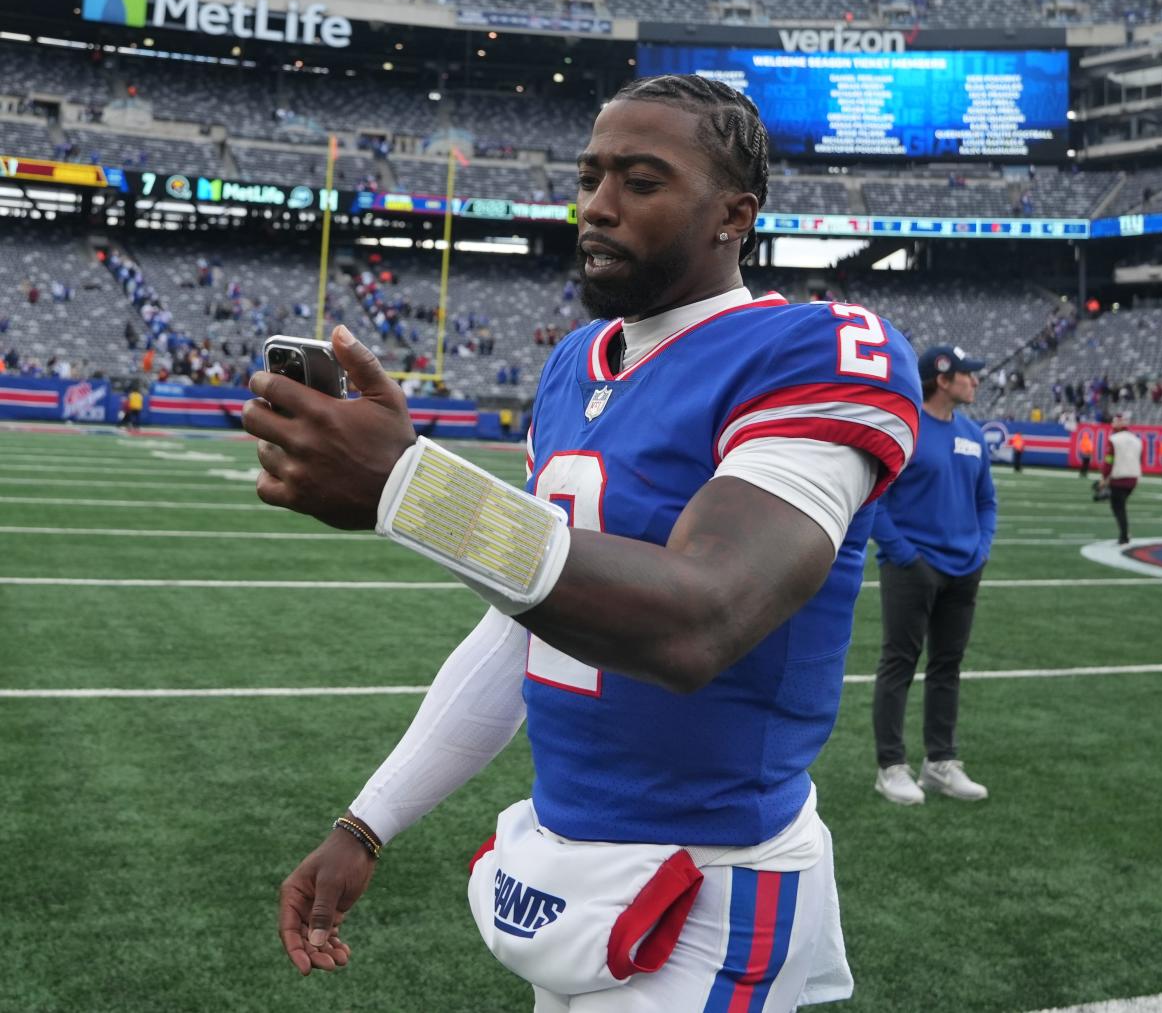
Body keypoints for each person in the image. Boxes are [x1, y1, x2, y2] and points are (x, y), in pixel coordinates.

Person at [241, 75, 922, 1010]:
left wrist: (411, 487)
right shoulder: (574, 364)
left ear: (734, 213)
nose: (597, 206)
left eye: (641, 182)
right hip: (564, 868)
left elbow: (703, 617)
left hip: (711, 881)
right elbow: (523, 629)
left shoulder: (816, 350)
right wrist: (369, 820)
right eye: (592, 175)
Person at [870, 344, 997, 806]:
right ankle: (891, 766)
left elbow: (987, 500)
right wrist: (904, 554)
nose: (976, 381)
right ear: (943, 379)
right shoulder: (905, 428)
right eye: (969, 374)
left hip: (965, 568)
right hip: (913, 569)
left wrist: (980, 549)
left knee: (947, 667)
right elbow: (875, 498)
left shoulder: (973, 434)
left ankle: (940, 762)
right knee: (899, 665)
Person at [1101, 413, 1142, 545]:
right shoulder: (1137, 440)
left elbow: (1109, 460)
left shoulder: (1114, 439)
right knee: (1121, 506)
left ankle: (1124, 535)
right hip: (1133, 477)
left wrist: (1104, 477)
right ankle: (1125, 532)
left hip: (1119, 477)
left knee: (1118, 508)